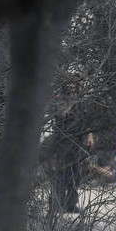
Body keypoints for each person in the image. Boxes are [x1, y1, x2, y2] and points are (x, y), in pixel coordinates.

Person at [47, 82, 94, 213]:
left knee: (76, 174)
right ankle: (56, 204)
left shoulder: (81, 101)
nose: (73, 88)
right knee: (62, 174)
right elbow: (60, 115)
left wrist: (90, 135)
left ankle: (71, 204)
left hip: (77, 141)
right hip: (62, 141)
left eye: (75, 84)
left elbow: (85, 119)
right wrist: (69, 103)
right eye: (71, 85)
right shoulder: (59, 99)